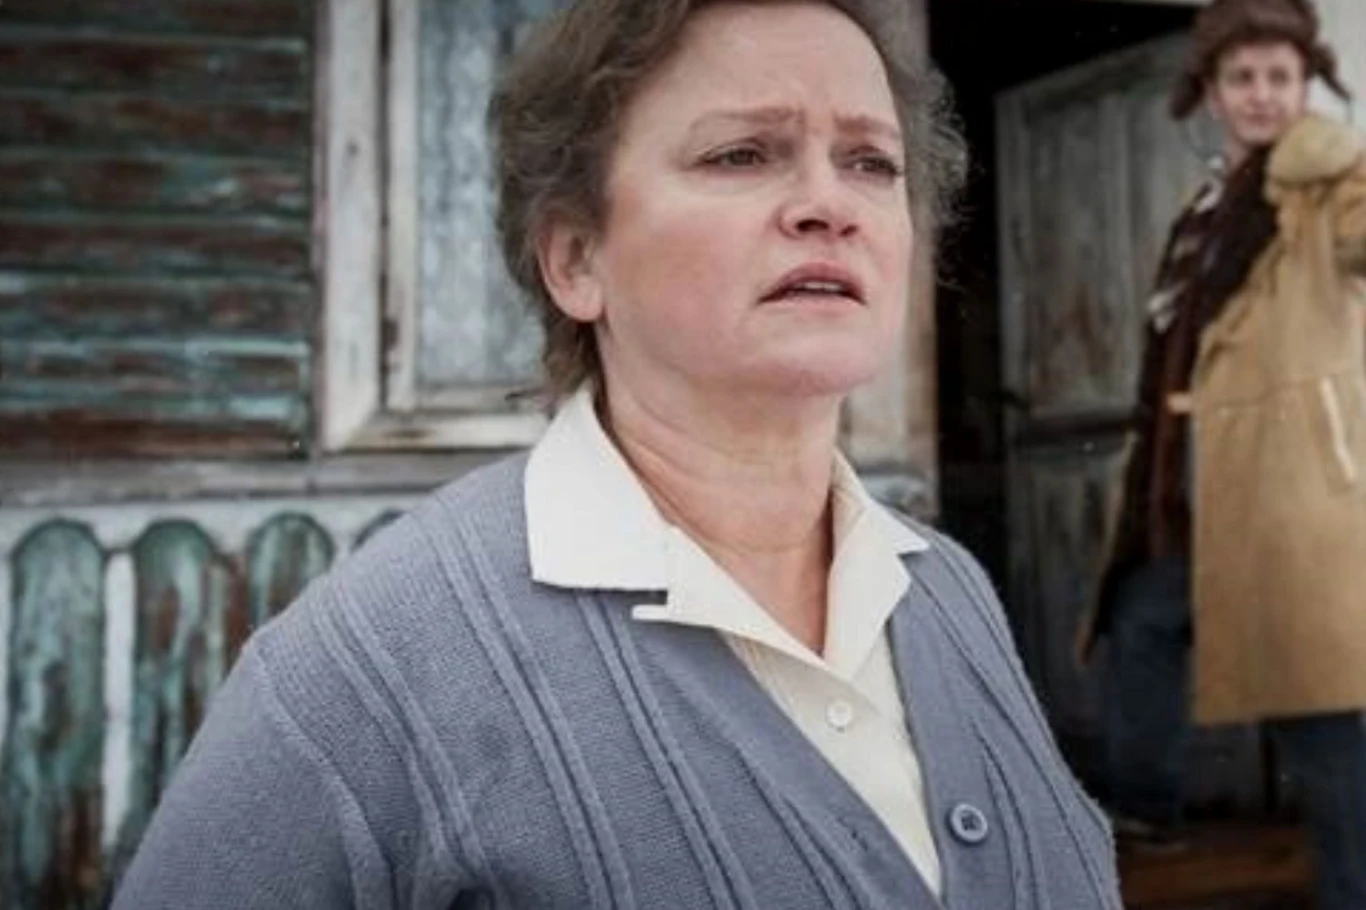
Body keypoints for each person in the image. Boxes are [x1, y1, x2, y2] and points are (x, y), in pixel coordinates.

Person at [113, 1, 1121, 907]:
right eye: (742, 154)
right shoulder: (367, 667)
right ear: (575, 259)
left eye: (871, 162)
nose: (830, 202)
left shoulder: (944, 590)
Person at [1081, 0, 1366, 904]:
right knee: (1141, 618)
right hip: (1187, 478)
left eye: (1280, 77)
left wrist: (1337, 155)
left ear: (1306, 87)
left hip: (1289, 483)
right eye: (1242, 78)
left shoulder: (1322, 189)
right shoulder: (1202, 206)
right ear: (1211, 93)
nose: (1261, 94)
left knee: (1322, 710)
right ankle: (1149, 811)